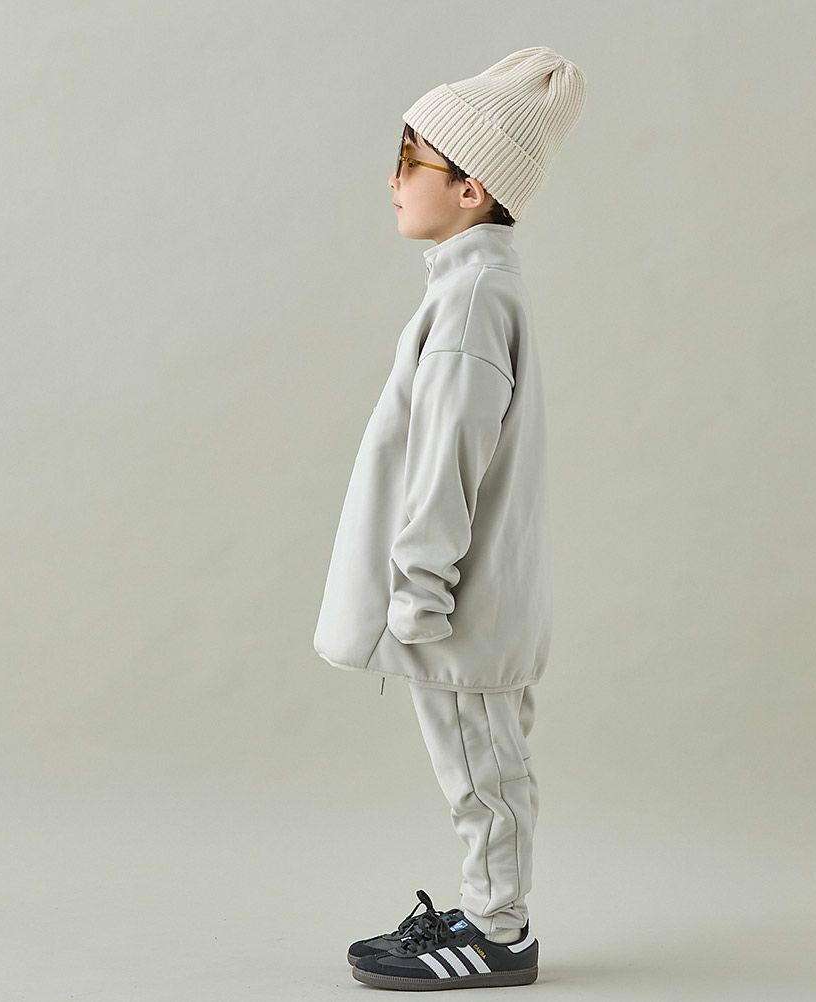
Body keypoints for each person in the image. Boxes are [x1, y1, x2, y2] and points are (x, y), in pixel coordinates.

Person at [312, 45, 587, 991]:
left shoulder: (471, 300)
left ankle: (498, 933)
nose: (393, 182)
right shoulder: (470, 288)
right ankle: (485, 915)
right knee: (481, 764)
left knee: (483, 772)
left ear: (472, 189)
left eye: (409, 161)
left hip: (457, 605)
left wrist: (420, 591)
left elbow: (448, 462)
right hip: (467, 597)